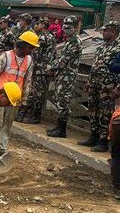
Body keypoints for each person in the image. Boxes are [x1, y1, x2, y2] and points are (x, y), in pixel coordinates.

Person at [0, 34, 37, 154]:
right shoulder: (6, 56)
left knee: (8, 123)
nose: (32, 50)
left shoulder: (29, 60)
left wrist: (23, 98)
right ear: (24, 45)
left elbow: (27, 80)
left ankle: (2, 147)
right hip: (0, 95)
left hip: (14, 97)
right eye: (31, 47)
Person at [77, 21, 120, 152]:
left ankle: (103, 141)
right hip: (95, 85)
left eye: (105, 30)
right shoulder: (102, 46)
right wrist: (89, 82)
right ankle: (93, 136)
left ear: (113, 31)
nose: (103, 33)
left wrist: (118, 87)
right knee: (93, 112)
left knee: (105, 114)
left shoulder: (118, 48)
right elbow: (95, 66)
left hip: (107, 87)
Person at [46, 16, 82, 138]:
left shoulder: (75, 42)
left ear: (76, 27)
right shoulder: (68, 40)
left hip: (67, 76)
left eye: (69, 26)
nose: (66, 28)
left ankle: (62, 130)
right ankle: (59, 127)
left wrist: (51, 67)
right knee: (59, 100)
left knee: (63, 102)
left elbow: (63, 61)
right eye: (65, 25)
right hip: (61, 75)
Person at [19, 16, 57, 124]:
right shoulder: (52, 37)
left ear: (42, 25)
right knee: (39, 93)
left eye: (38, 24)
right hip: (46, 68)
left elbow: (35, 54)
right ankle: (33, 115)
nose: (35, 25)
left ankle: (35, 116)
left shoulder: (42, 37)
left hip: (40, 68)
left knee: (36, 93)